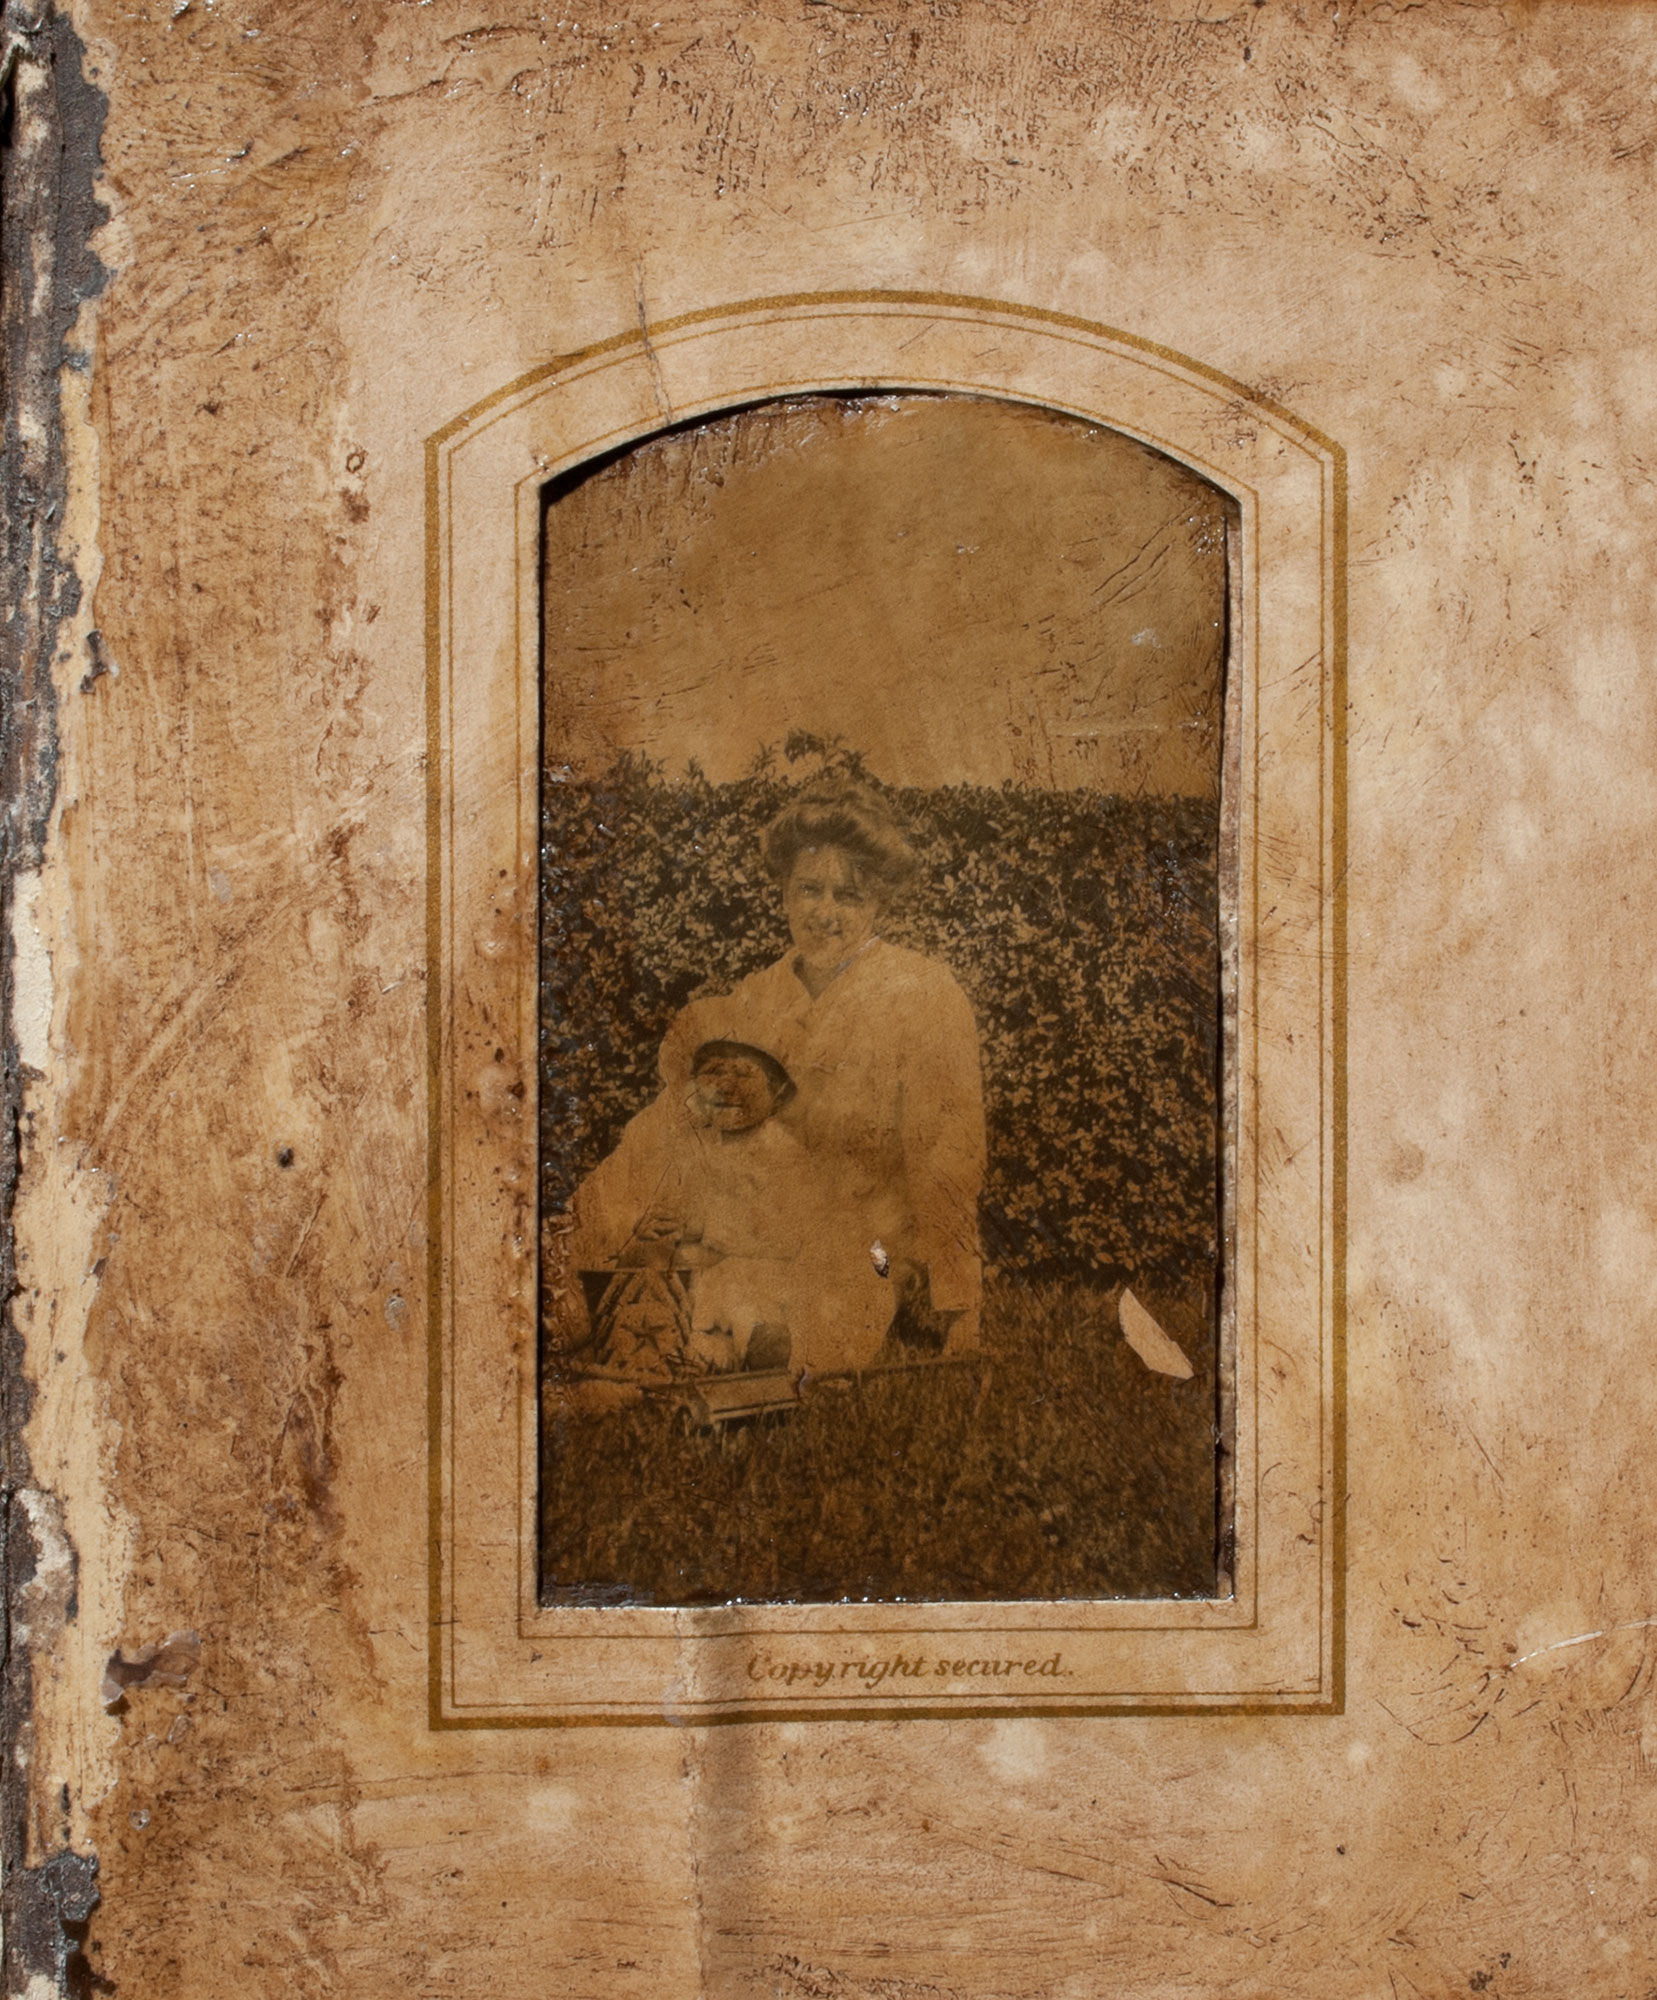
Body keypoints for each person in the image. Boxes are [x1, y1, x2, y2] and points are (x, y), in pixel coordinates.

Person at [660, 781, 987, 1353]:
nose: (825, 914)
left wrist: (962, 1308)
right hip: (762, 1237)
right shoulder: (754, 999)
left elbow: (947, 1157)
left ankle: (782, 1340)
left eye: (849, 896)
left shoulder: (924, 996)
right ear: (784, 893)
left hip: (873, 1246)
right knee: (677, 1316)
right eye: (809, 890)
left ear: (879, 902)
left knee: (809, 1321)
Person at [567, 1025, 893, 1376]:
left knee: (741, 1292)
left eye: (744, 1074)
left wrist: (703, 1227)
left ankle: (760, 1346)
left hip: (773, 1274)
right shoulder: (689, 1149)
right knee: (653, 1270)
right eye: (713, 1072)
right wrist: (651, 1231)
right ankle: (677, 1348)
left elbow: (787, 1234)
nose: (725, 1085)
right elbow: (658, 1210)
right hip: (705, 1276)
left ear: (777, 1094)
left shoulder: (783, 1154)